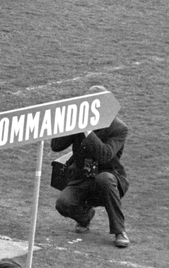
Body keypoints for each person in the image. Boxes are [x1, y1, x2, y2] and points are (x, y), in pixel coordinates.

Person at [49, 85, 130, 248]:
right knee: (62, 204)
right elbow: (56, 146)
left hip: (108, 177)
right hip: (81, 176)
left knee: (105, 180)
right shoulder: (78, 121)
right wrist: (68, 122)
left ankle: (119, 230)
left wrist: (87, 131)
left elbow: (104, 155)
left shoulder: (118, 128)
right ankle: (85, 217)